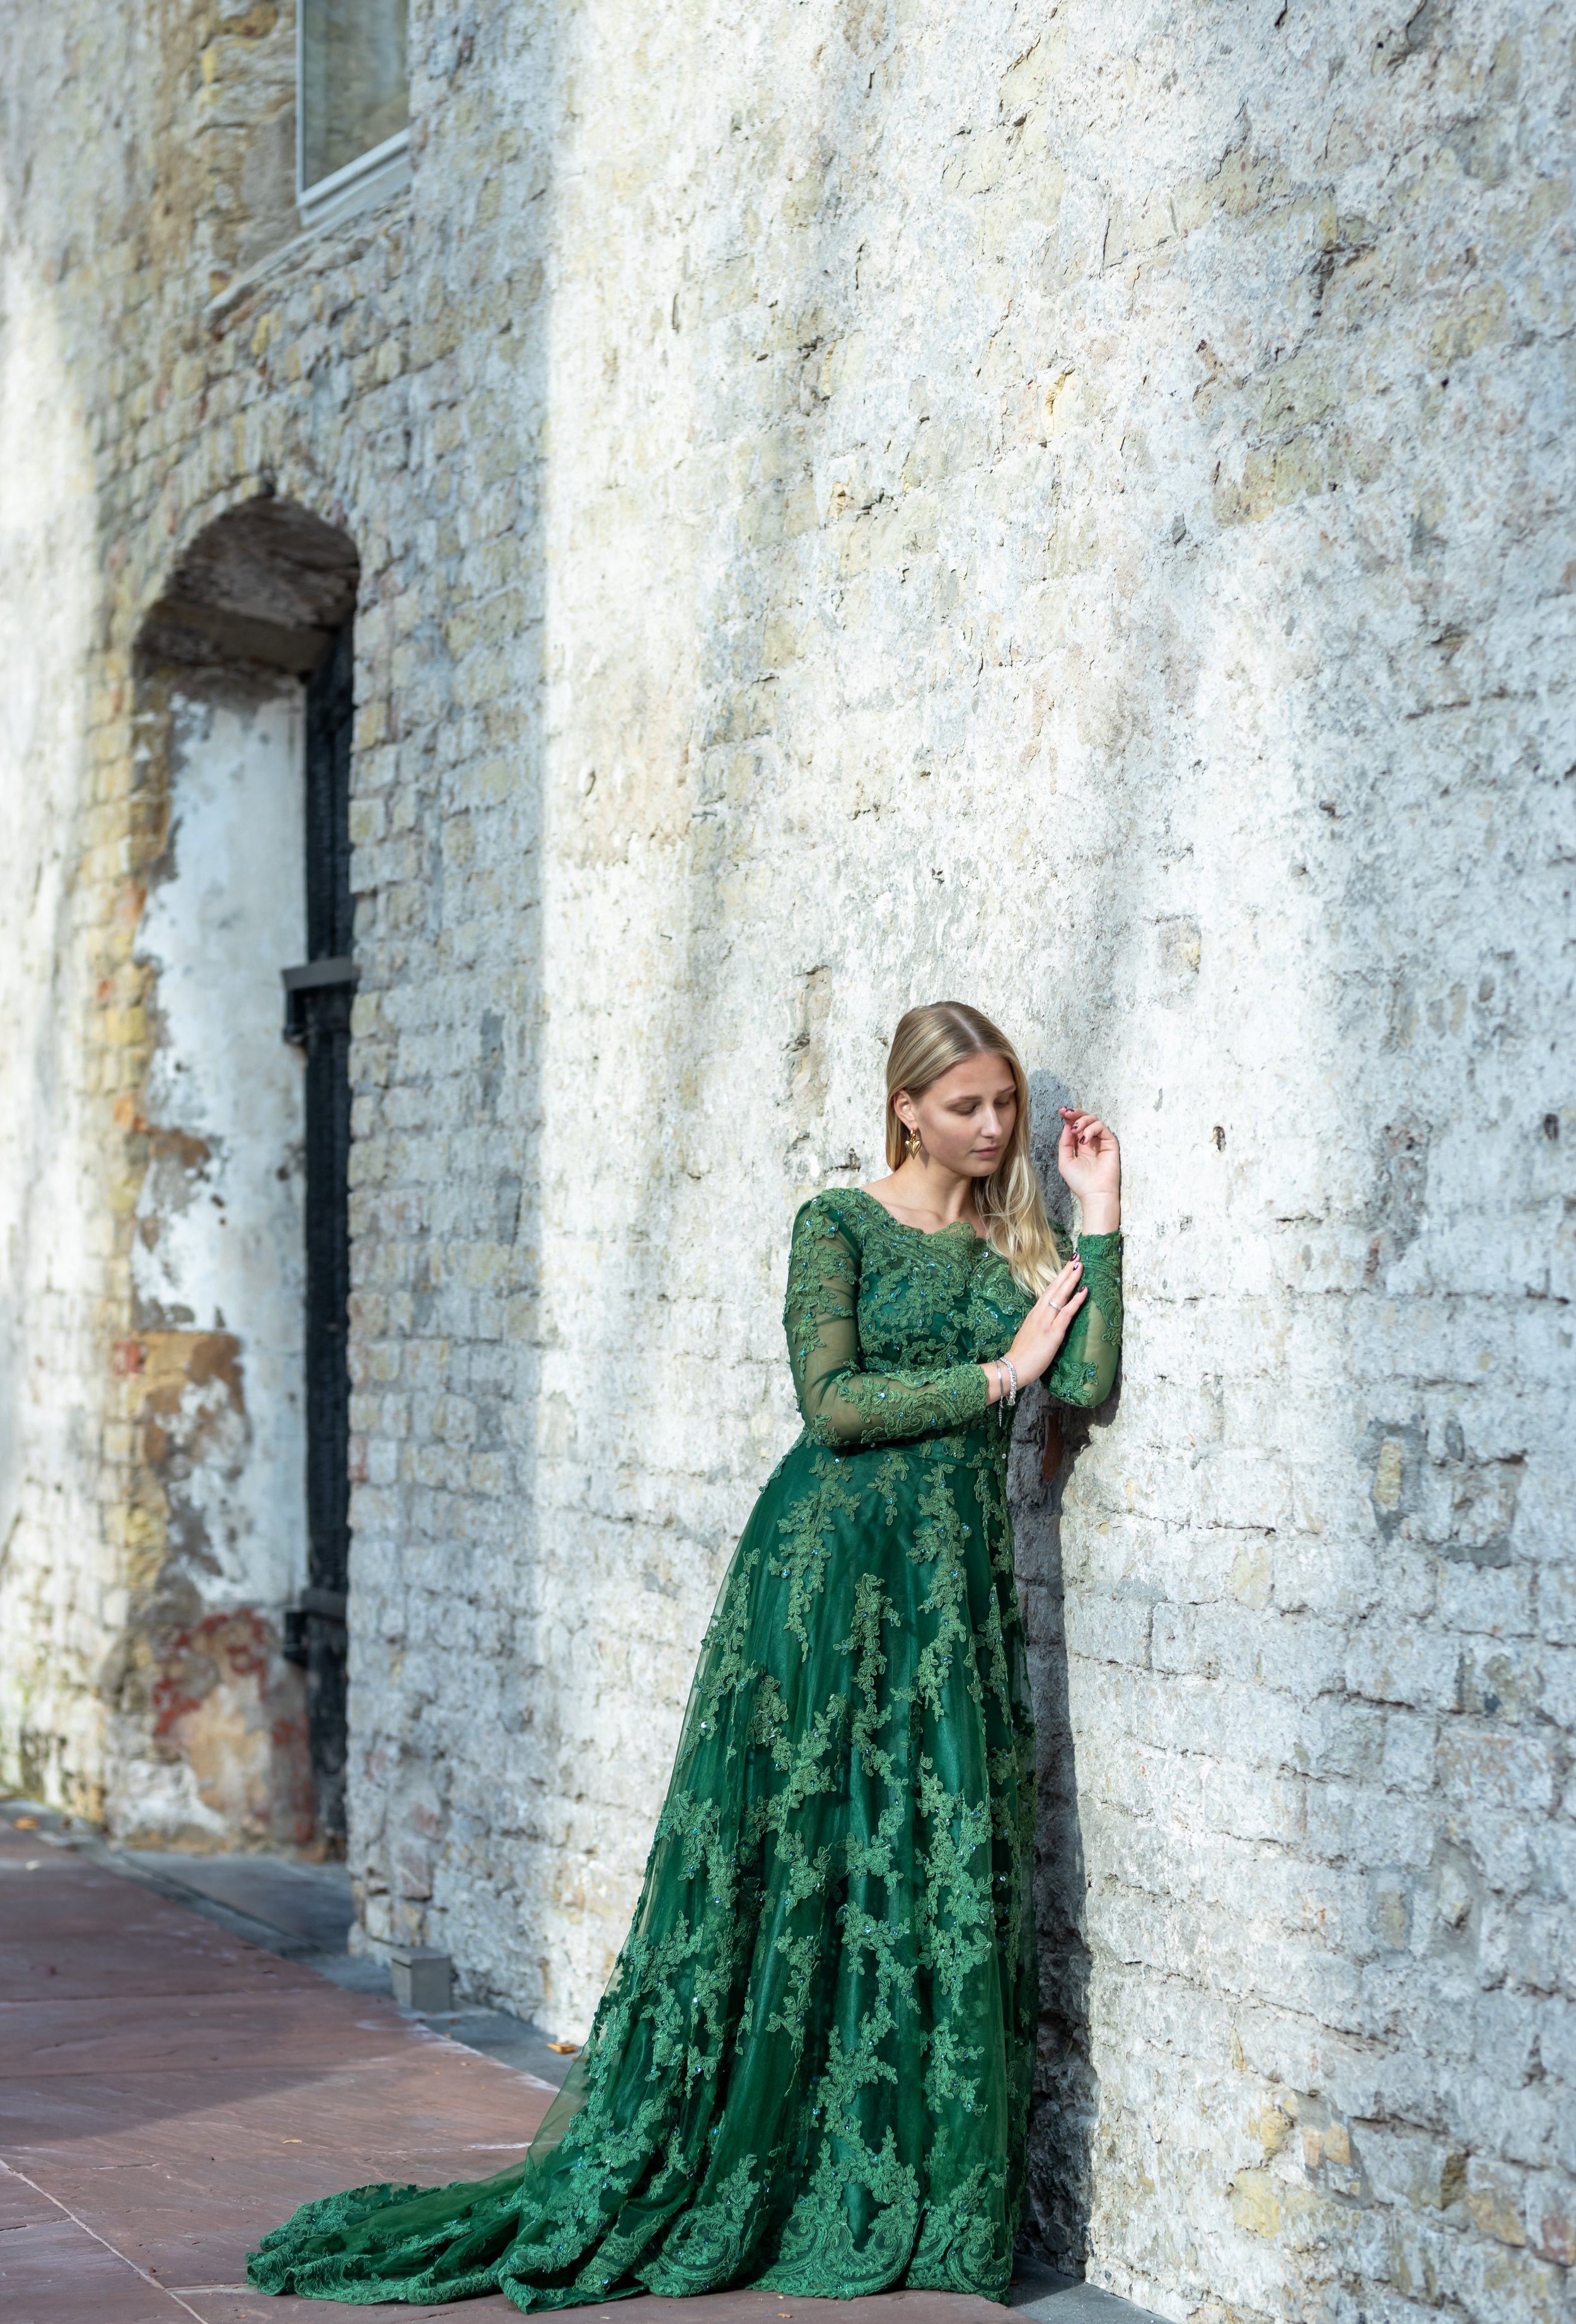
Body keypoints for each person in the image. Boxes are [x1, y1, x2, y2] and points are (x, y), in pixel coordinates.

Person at [248, 1000, 1123, 2311]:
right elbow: (829, 1405)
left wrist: (1099, 1213)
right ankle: (756, 2154)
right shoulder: (833, 1225)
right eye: (965, 1107)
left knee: (934, 1860)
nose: (994, 1130)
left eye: (1004, 1104)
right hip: (818, 1576)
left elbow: (1089, 1375)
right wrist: (995, 1378)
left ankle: (912, 2183)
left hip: (949, 1591)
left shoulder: (1018, 1233)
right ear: (904, 1108)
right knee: (797, 1855)